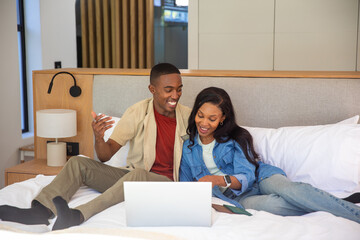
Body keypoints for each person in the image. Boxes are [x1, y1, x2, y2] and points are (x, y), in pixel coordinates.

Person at [0, 63, 191, 230]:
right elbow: (106, 156)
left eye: (179, 89)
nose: (175, 95)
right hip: (133, 177)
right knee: (78, 163)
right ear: (152, 89)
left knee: (137, 175)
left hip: (166, 184)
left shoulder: (188, 117)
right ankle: (40, 211)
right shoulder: (138, 112)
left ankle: (77, 215)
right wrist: (99, 138)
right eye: (169, 89)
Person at [179, 86, 360, 224]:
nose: (204, 123)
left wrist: (218, 180)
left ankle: (354, 214)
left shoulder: (236, 138)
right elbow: (186, 188)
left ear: (223, 118)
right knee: (272, 206)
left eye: (212, 119)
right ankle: (331, 203)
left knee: (291, 191)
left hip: (262, 177)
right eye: (200, 115)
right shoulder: (188, 147)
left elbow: (247, 176)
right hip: (239, 198)